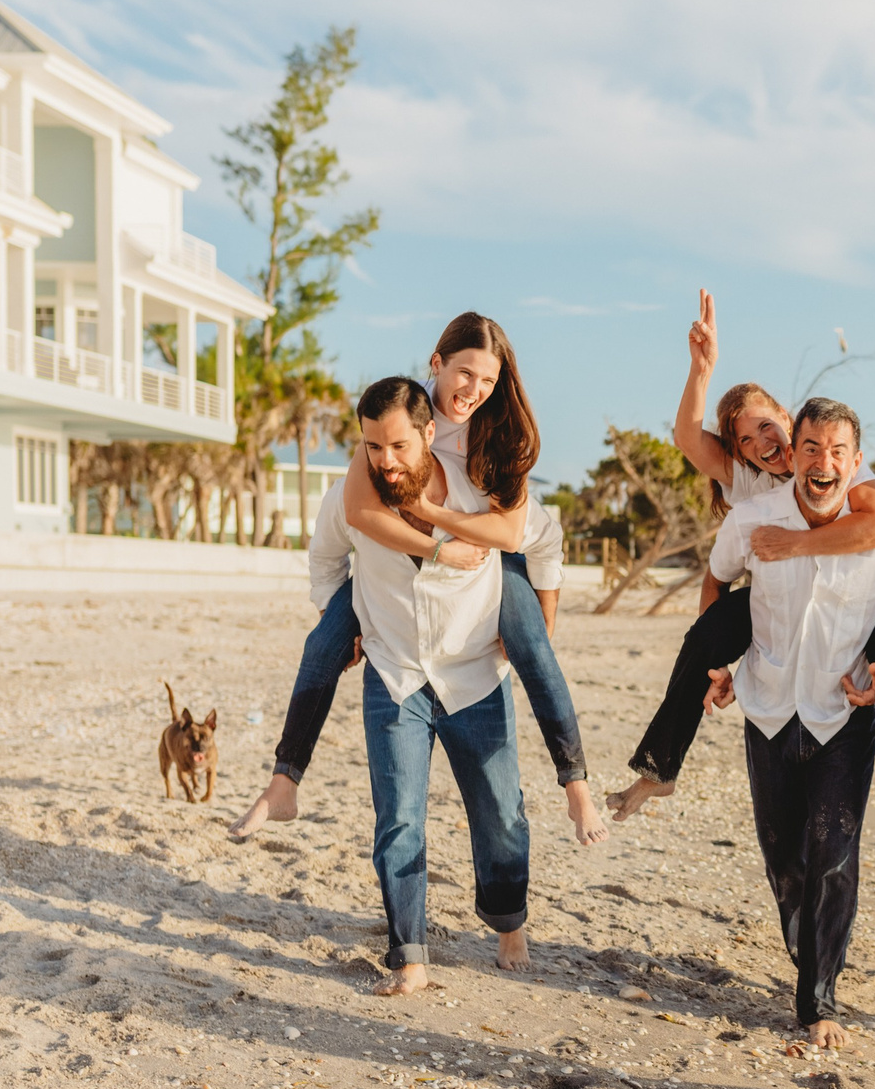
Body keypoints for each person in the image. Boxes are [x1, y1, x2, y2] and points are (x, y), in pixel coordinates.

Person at [231, 313, 605, 849]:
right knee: (323, 643)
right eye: (464, 374)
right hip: (409, 560)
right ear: (437, 363)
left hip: (493, 552)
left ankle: (576, 786)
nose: (473, 391)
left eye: (488, 381)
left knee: (534, 645)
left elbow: (523, 534)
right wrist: (428, 549)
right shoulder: (396, 419)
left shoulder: (493, 437)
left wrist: (541, 612)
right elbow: (358, 514)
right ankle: (283, 781)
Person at [608, 292, 875, 868]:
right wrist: (701, 370)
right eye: (744, 440)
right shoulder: (744, 479)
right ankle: (659, 769)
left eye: (766, 427)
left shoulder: (832, 461)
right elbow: (686, 438)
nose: (761, 445)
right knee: (702, 637)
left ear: (788, 415)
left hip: (849, 602)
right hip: (773, 602)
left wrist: (797, 543)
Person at [704, 398, 875, 1047]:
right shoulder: (754, 520)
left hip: (842, 720)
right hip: (769, 708)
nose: (823, 462)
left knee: (832, 856)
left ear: (856, 462)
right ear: (794, 453)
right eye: (812, 448)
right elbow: (716, 580)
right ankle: (810, 955)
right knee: (784, 859)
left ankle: (819, 1000)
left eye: (838, 451)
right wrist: (716, 663)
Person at [344, 378, 537, 997]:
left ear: (428, 433)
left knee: (501, 812)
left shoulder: (482, 474)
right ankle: (409, 955)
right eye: (373, 446)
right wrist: (435, 552)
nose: (385, 459)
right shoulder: (367, 478)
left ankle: (508, 921)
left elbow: (515, 536)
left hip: (473, 672)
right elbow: (347, 527)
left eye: (397, 445)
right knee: (398, 818)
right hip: (396, 673)